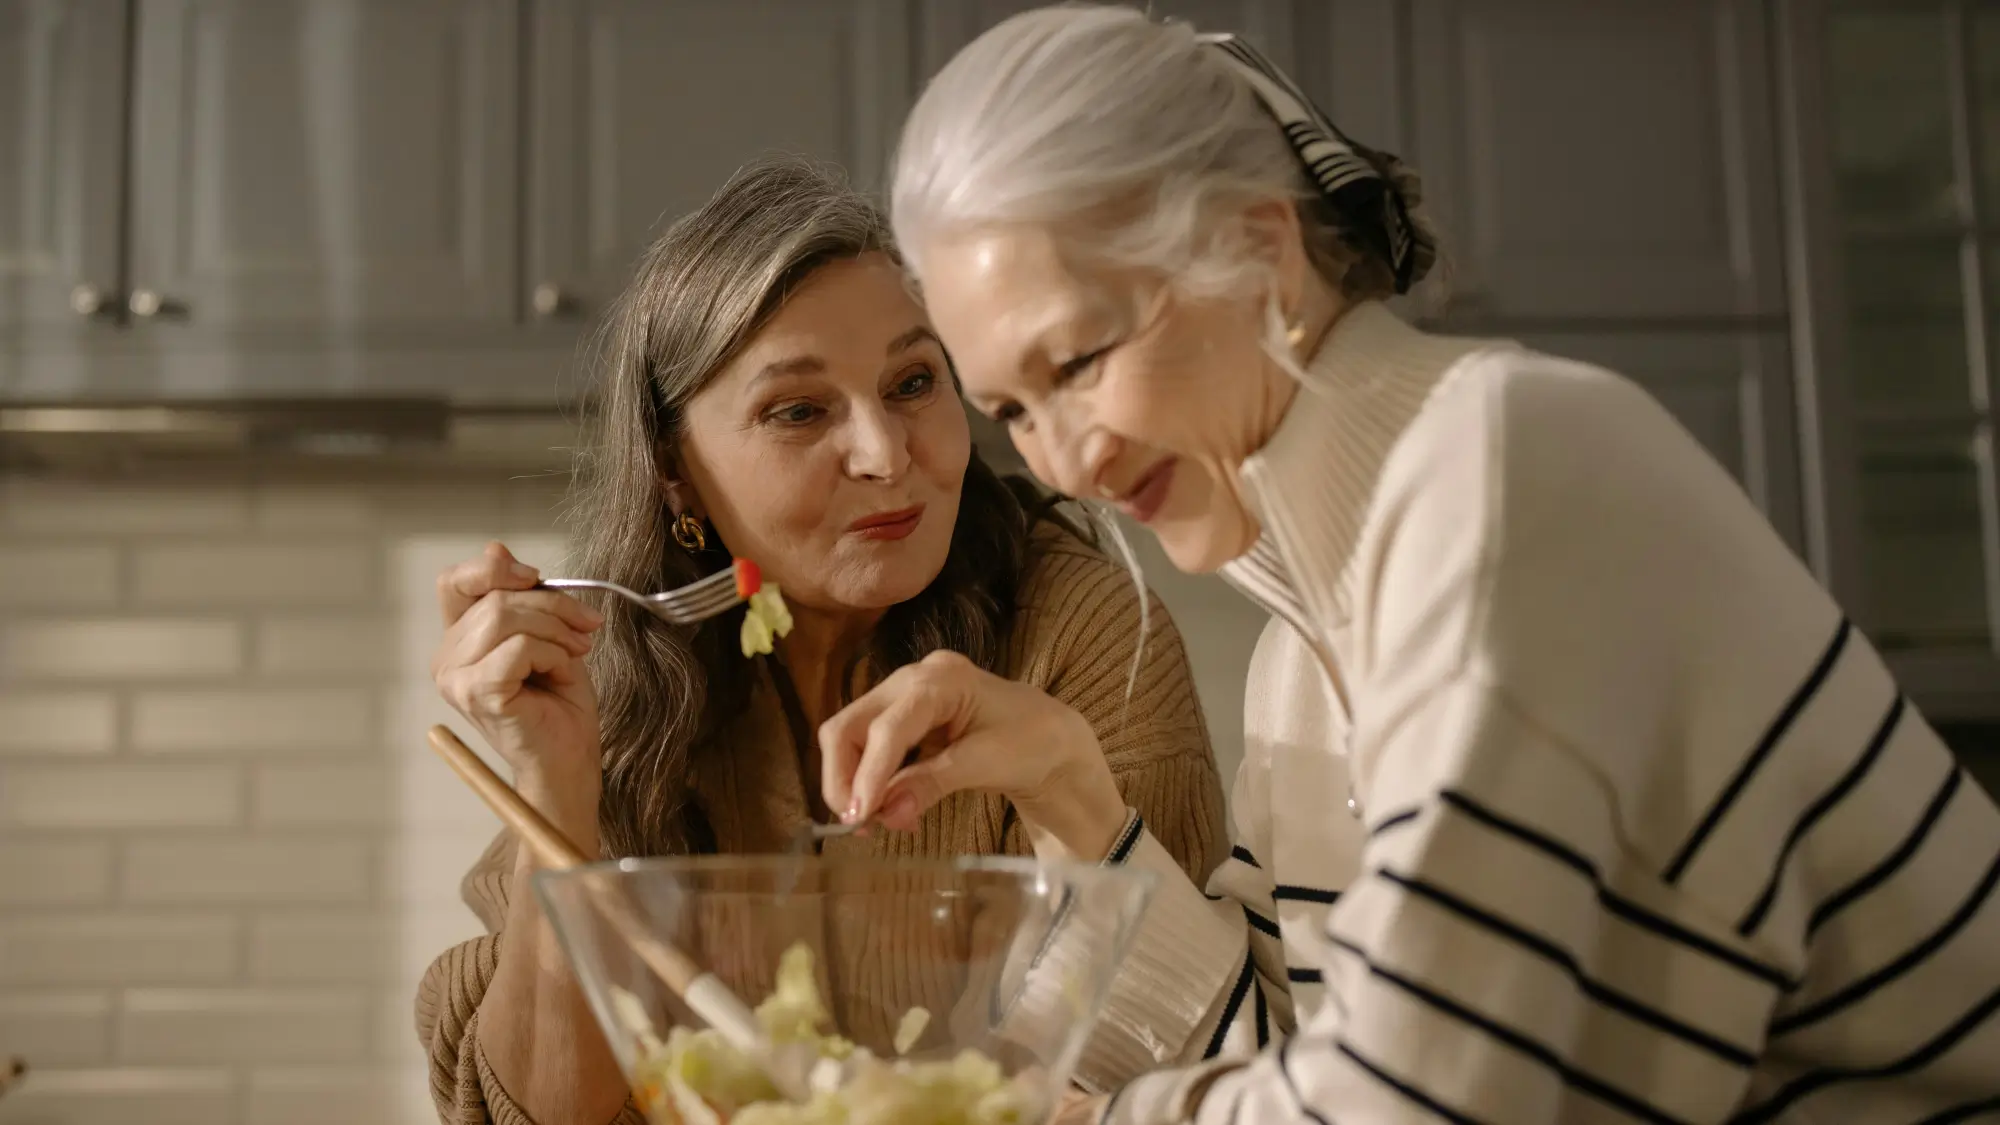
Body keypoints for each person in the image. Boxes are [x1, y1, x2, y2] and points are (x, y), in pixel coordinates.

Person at [820, 6, 2000, 1124]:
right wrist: (1069, 789)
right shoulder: (1304, 653)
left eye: (1076, 361)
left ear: (1257, 250)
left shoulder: (1505, 469)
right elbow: (1292, 1059)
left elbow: (1423, 1102)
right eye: (1013, 410)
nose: (1066, 462)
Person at [415, 154, 1230, 1125]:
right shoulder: (613, 678)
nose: (886, 455)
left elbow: (1159, 1067)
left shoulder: (1081, 632)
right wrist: (555, 782)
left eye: (914, 383)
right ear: (675, 471)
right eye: (798, 411)